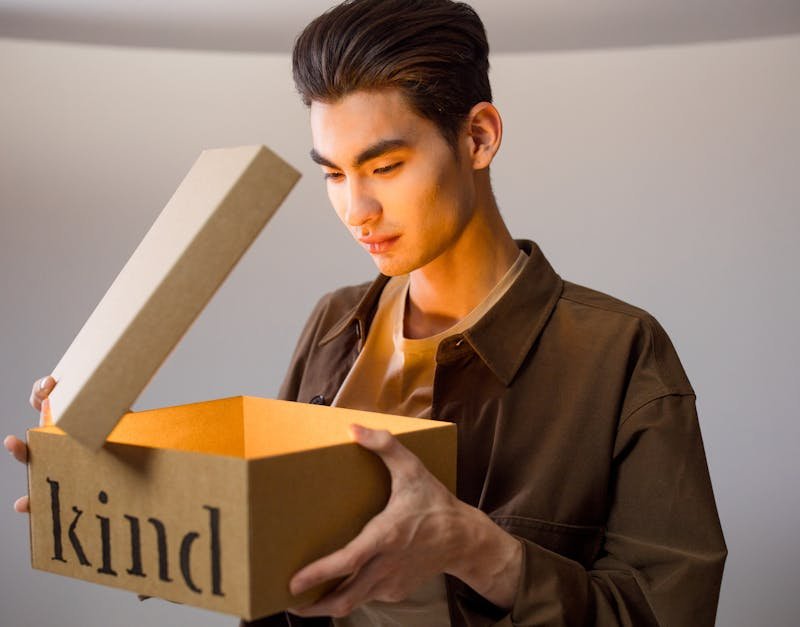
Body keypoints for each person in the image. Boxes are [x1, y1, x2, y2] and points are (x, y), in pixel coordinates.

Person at [6, 1, 727, 625]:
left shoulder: (622, 354)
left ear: (478, 137)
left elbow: (668, 612)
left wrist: (481, 549)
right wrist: (127, 516)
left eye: (384, 167)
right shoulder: (332, 324)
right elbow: (268, 555)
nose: (357, 210)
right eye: (333, 173)